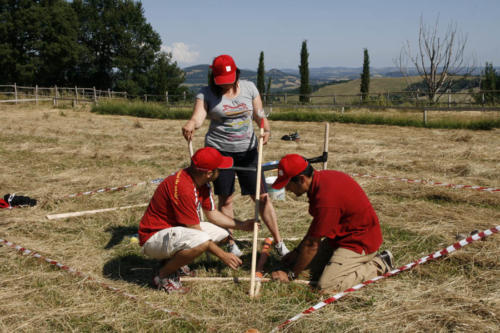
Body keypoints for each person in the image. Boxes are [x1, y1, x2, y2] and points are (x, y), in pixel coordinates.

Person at [182, 54, 289, 257]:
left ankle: (279, 242)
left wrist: (266, 129)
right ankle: (230, 242)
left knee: (262, 197)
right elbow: (198, 117)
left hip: (248, 151)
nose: (225, 85)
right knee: (226, 199)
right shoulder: (206, 94)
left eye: (229, 81)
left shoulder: (249, 89)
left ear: (236, 74)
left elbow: (259, 115)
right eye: (221, 81)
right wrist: (191, 124)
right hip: (219, 152)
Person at [270, 154, 394, 292]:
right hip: (341, 237)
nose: (287, 189)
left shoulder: (326, 199)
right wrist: (297, 252)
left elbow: (312, 244)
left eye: (288, 184)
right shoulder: (321, 181)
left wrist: (291, 275)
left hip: (359, 241)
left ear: (301, 179)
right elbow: (314, 232)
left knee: (327, 287)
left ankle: (379, 263)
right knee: (307, 271)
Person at [138, 147, 255, 293]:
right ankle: (163, 275)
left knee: (221, 233)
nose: (221, 171)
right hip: (152, 238)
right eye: (219, 168)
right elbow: (199, 236)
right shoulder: (184, 188)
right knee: (201, 240)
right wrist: (223, 255)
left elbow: (212, 214)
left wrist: (243, 225)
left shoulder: (201, 182)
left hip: (172, 231)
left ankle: (175, 263)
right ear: (208, 173)